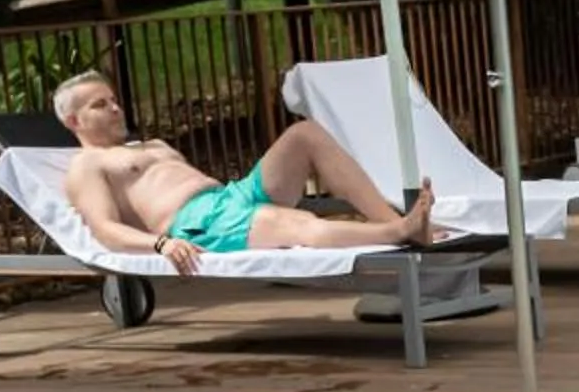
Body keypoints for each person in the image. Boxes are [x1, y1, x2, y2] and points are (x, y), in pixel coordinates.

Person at [51, 70, 434, 270]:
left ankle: (397, 221)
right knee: (289, 223)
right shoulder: (86, 165)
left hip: (230, 197)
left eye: (114, 100)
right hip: (197, 223)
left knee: (304, 134)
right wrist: (161, 244)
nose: (115, 109)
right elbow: (104, 230)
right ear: (73, 121)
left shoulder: (149, 145)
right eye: (100, 105)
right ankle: (397, 231)